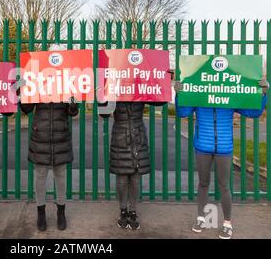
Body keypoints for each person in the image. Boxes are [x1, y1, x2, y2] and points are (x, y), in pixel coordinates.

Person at [174, 77, 268, 239]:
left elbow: (254, 112)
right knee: (203, 183)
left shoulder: (230, 96)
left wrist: (263, 93)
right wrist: (179, 94)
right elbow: (183, 112)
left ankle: (227, 223)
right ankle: (201, 218)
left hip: (224, 148)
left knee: (224, 185)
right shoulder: (199, 95)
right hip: (203, 146)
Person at [99, 97, 168, 230]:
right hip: (120, 135)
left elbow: (158, 99)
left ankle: (133, 211)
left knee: (136, 178)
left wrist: (167, 84)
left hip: (138, 135)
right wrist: (101, 96)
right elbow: (104, 113)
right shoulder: (114, 86)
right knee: (122, 178)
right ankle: (123, 210)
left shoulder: (140, 83)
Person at [20, 96, 78, 231]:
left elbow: (73, 112)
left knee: (60, 176)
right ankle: (41, 213)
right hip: (41, 136)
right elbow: (26, 109)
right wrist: (23, 94)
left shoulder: (65, 81)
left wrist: (73, 102)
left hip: (60, 136)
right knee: (40, 176)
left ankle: (61, 212)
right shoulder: (37, 79)